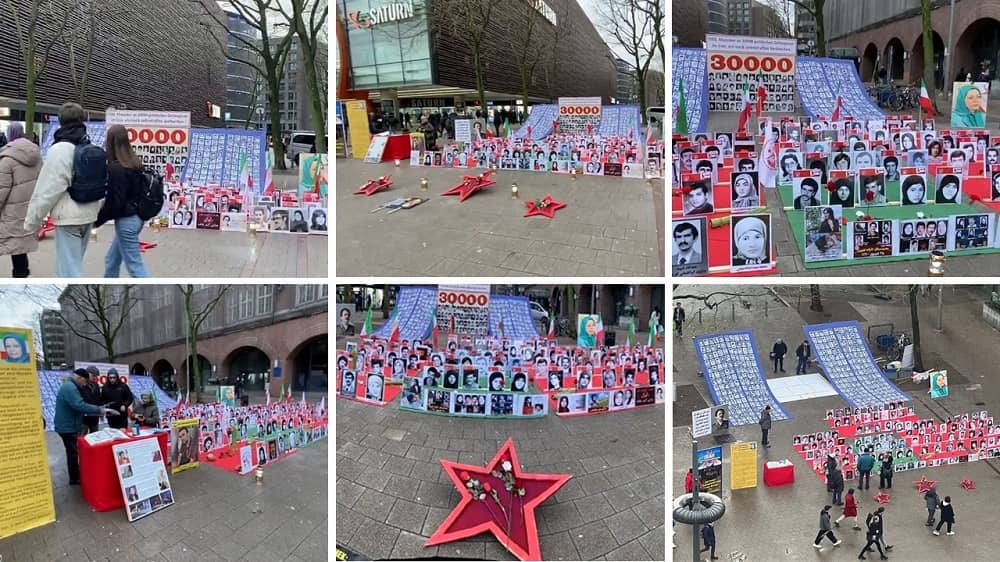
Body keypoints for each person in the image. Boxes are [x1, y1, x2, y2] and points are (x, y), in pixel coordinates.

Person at [24, 102, 104, 277]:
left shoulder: (60, 149)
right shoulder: (87, 144)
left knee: (68, 272)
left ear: (61, 121)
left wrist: (32, 222)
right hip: (89, 214)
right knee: (74, 265)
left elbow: (48, 190)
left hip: (68, 218)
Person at [96, 125, 149, 277]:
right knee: (111, 261)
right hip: (137, 218)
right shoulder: (135, 163)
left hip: (126, 222)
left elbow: (116, 202)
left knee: (135, 267)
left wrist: (97, 221)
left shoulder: (116, 168)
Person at [54, 368, 117, 485]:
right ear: (80, 378)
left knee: (72, 451)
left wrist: (98, 410)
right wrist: (99, 409)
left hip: (69, 424)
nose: (84, 385)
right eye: (84, 382)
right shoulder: (70, 388)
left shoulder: (70, 386)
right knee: (73, 452)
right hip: (68, 426)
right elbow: (79, 405)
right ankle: (75, 478)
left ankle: (75, 475)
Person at [0, 122, 40, 277]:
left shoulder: (7, 160)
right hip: (29, 210)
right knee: (20, 249)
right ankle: (22, 275)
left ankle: (20, 275)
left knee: (15, 246)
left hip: (10, 213)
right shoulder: (36, 156)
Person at [79, 365, 102, 434]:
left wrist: (100, 409)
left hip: (94, 418)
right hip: (84, 419)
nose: (95, 378)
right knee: (82, 438)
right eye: (93, 375)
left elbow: (98, 399)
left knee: (94, 438)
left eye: (96, 376)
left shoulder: (96, 385)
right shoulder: (81, 385)